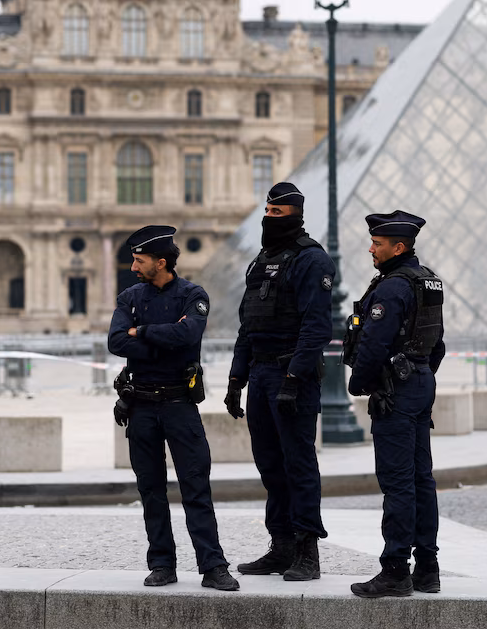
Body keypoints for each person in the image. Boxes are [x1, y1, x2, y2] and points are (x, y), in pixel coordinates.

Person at [108, 225, 239, 592]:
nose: (133, 266)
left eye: (139, 260)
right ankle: (162, 563)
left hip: (180, 404)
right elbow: (116, 341)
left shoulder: (192, 294)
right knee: (150, 490)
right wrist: (160, 336)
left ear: (161, 262)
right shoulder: (130, 297)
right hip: (142, 405)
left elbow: (188, 337)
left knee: (196, 487)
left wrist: (141, 332)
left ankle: (213, 565)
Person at [225, 182, 334, 581]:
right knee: (270, 465)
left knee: (298, 464)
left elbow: (316, 327)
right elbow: (247, 324)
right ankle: (281, 544)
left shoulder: (312, 260)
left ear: (295, 215)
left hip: (292, 375)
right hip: (260, 373)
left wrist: (293, 378)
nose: (268, 220)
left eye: (277, 214)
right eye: (266, 213)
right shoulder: (260, 260)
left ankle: (307, 551)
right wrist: (237, 379)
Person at [343, 210, 445, 599]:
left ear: (398, 247)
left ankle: (395, 571)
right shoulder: (429, 281)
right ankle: (428, 569)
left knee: (398, 483)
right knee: (422, 479)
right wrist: (420, 373)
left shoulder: (391, 288)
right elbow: (438, 344)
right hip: (420, 382)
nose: (371, 248)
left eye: (378, 243)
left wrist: (361, 383)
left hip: (395, 392)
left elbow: (373, 345)